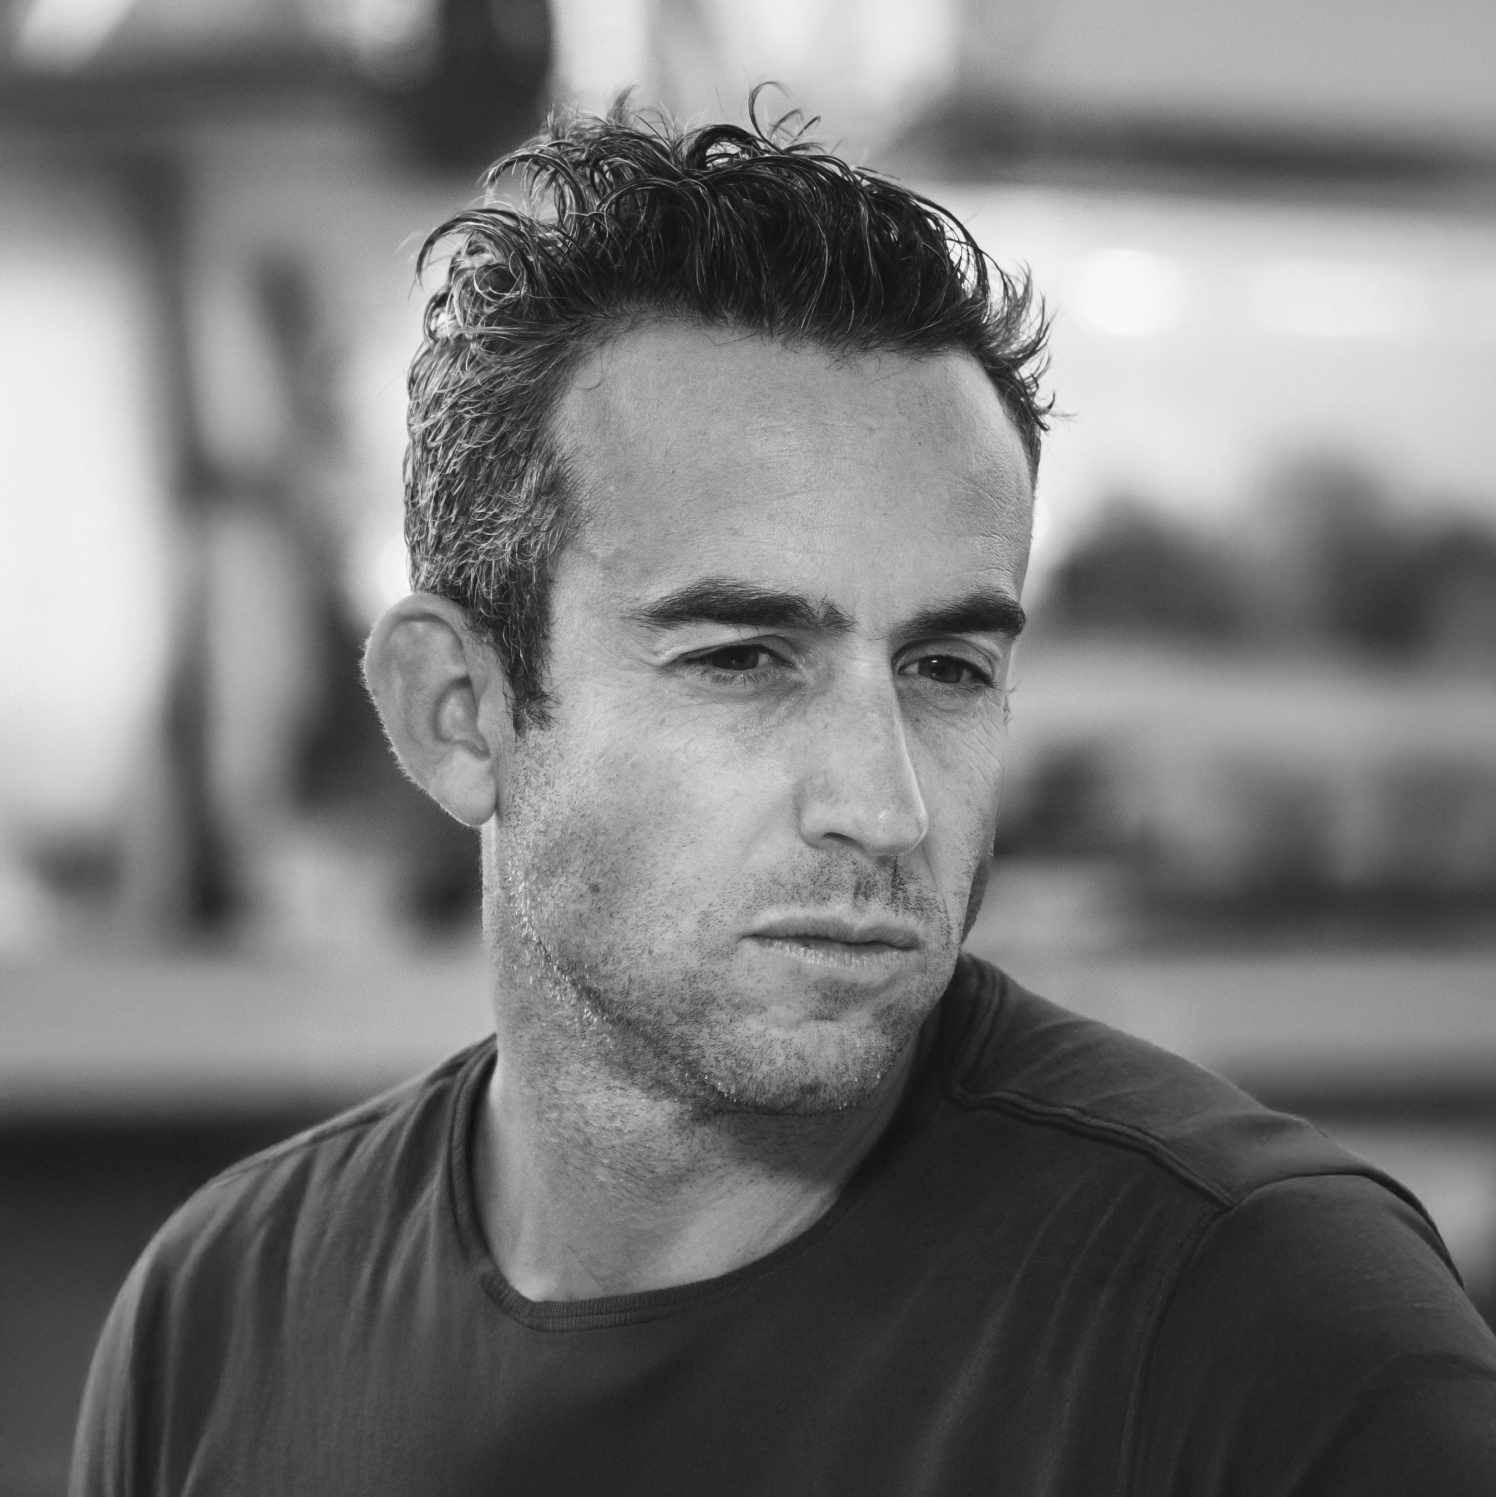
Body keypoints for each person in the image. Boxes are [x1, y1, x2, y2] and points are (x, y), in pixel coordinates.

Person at [72, 102, 1492, 1497]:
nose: (887, 808)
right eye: (743, 659)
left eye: (945, 668)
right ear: (455, 711)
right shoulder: (223, 1317)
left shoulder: (1270, 1331)